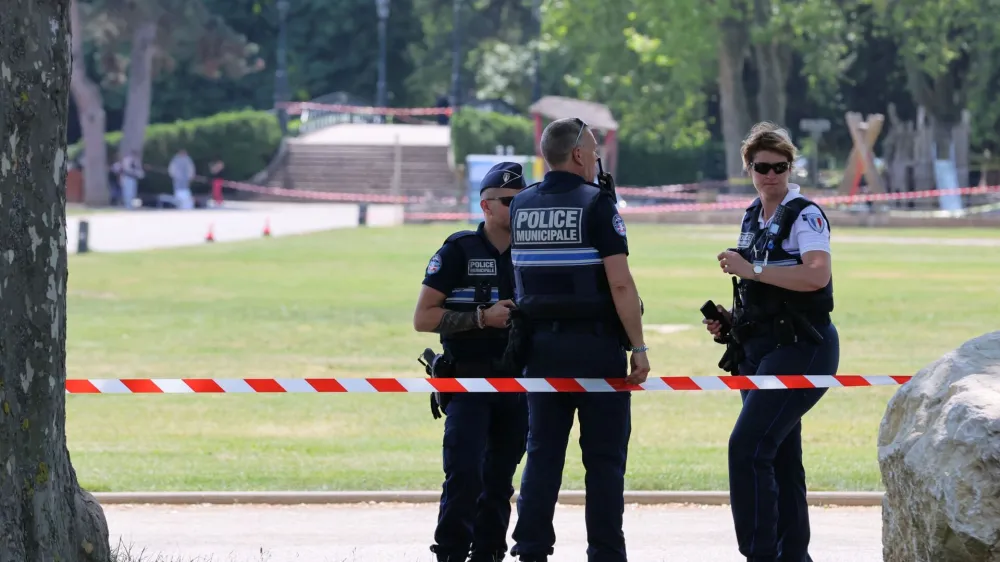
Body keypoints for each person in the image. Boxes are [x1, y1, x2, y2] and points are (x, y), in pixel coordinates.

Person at [507, 118, 650, 562]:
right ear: (577, 156)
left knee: (542, 457)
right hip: (595, 349)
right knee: (604, 463)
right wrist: (639, 347)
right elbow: (621, 285)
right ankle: (605, 554)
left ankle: (530, 550)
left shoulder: (522, 204)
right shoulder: (597, 205)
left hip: (538, 351)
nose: (594, 158)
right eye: (591, 150)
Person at [704, 121, 840, 562]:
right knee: (779, 455)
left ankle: (759, 554)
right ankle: (792, 555)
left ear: (790, 167)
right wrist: (732, 323)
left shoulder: (806, 214)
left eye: (780, 167)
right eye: (762, 167)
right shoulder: (751, 215)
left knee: (747, 449)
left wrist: (752, 270)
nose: (771, 175)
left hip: (804, 345)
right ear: (749, 167)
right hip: (759, 351)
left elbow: (816, 273)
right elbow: (763, 294)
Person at [413, 162, 530, 562]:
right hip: (467, 383)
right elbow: (422, 318)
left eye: (523, 201)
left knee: (499, 480)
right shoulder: (458, 250)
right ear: (486, 206)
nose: (517, 209)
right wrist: (482, 318)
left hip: (518, 384)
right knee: (464, 475)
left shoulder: (535, 252)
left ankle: (489, 553)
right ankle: (449, 553)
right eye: (508, 202)